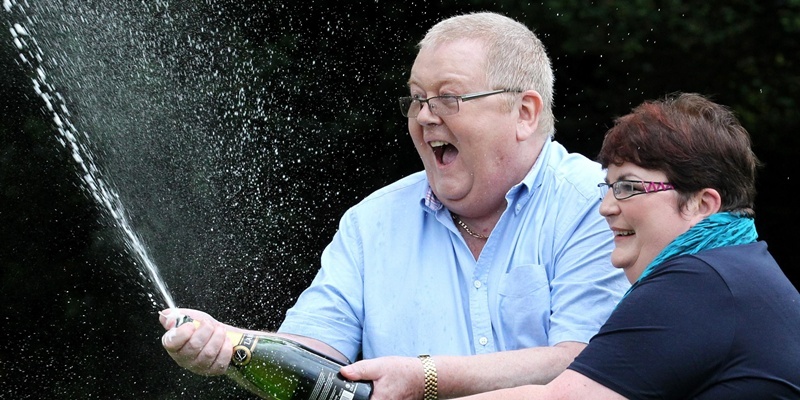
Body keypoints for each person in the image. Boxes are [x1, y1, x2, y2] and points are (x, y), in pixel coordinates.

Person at [160, 12, 629, 399]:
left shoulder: (600, 203)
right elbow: (315, 354)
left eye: (448, 98)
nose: (425, 116)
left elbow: (588, 364)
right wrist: (230, 344)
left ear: (524, 112)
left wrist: (426, 378)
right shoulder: (372, 222)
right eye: (417, 99)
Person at [459, 92, 800, 399]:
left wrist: (420, 382)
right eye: (607, 187)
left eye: (628, 187)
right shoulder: (737, 270)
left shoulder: (697, 283)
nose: (606, 206)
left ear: (702, 204)